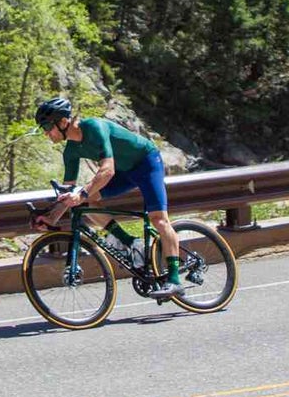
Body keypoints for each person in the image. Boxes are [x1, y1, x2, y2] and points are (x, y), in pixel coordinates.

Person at [32, 97, 190, 291]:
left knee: (158, 219)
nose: (46, 133)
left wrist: (82, 193)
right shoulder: (70, 151)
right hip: (124, 172)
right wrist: (51, 217)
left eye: (47, 126)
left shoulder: (94, 127)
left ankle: (175, 280)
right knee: (83, 202)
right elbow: (68, 192)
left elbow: (107, 171)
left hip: (146, 163)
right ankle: (131, 243)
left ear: (63, 122)